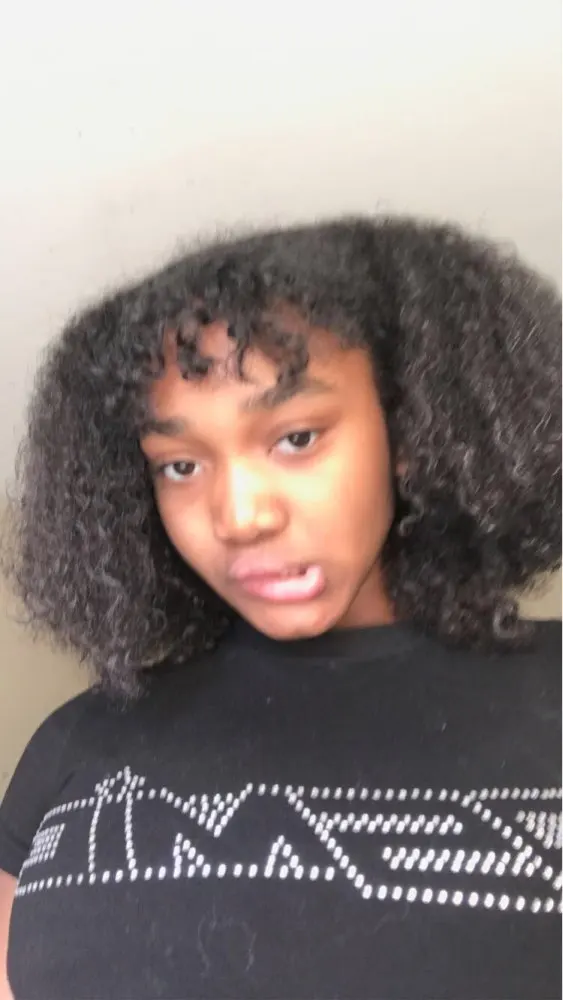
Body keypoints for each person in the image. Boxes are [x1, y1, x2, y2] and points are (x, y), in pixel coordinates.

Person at [0, 216, 561, 1000]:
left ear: (407, 434)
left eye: (295, 438)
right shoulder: (80, 737)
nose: (238, 516)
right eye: (180, 464)